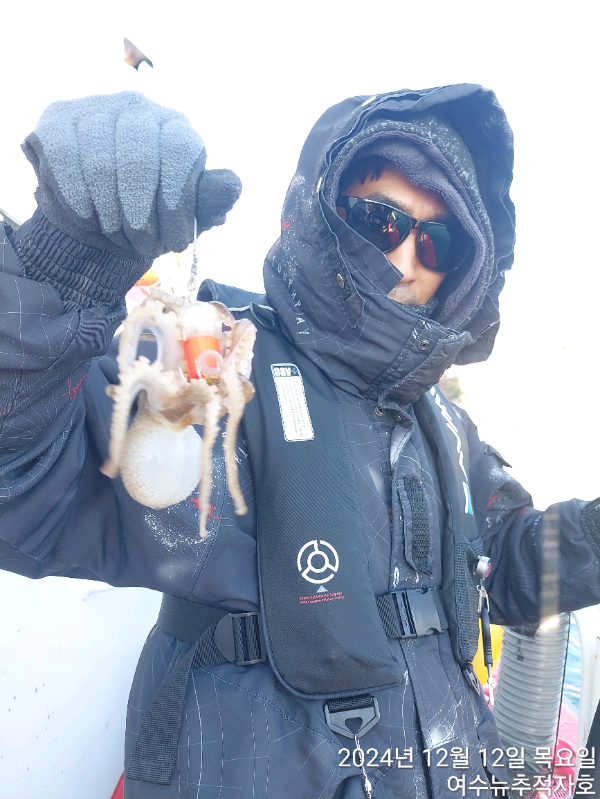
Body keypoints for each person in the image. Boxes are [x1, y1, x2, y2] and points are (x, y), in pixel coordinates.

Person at [1, 85, 599, 799]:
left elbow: (509, 563)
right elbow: (27, 474)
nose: (406, 258)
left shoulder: (445, 422)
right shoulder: (214, 364)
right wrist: (67, 261)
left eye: (439, 241)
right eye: (380, 220)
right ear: (325, 209)